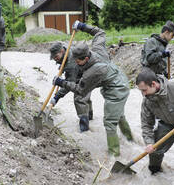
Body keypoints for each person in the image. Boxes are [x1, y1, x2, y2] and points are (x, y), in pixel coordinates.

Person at [52, 20, 133, 156]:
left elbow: (80, 90)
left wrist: (61, 82)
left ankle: (114, 155)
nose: (76, 64)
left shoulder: (92, 72)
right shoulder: (97, 48)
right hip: (116, 79)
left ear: (86, 58)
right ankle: (130, 140)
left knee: (109, 121)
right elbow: (99, 32)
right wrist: (83, 26)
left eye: (78, 62)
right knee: (118, 115)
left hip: (117, 88)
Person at [49, 42, 93, 132]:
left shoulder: (71, 63)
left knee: (79, 97)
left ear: (61, 51)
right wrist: (62, 64)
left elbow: (70, 84)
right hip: (81, 71)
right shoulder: (65, 49)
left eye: (56, 57)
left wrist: (57, 96)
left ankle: (84, 128)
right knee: (85, 97)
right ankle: (90, 117)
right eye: (53, 58)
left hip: (89, 73)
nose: (55, 59)